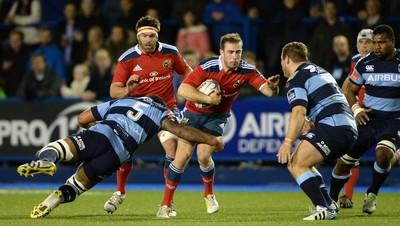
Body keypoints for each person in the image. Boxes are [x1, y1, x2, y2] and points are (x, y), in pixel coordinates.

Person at [16, 95, 224, 219]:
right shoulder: (160, 114)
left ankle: (47, 160)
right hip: (116, 157)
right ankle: (56, 198)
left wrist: (90, 130)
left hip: (101, 135)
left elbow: (82, 118)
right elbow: (183, 132)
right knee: (78, 184)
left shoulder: (122, 101)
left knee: (58, 147)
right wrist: (211, 140)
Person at [156, 33, 280, 218]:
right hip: (193, 114)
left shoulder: (247, 70)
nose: (235, 57)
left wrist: (273, 87)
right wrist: (208, 99)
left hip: (217, 116)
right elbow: (183, 90)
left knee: (204, 156)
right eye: (230, 52)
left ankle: (209, 195)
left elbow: (269, 93)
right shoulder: (207, 66)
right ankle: (165, 205)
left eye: (238, 52)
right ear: (222, 52)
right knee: (181, 158)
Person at [103, 15, 192, 214]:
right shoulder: (127, 58)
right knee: (123, 151)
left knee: (173, 149)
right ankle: (120, 192)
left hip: (165, 109)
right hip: (137, 111)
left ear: (157, 36)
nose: (149, 40)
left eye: (152, 36)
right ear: (138, 36)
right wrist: (128, 89)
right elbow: (113, 92)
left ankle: (167, 203)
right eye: (145, 36)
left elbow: (189, 73)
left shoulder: (171, 52)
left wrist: (191, 91)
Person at [277, 41, 358, 220]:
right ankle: (329, 204)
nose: (281, 65)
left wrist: (288, 142)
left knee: (295, 163)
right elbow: (329, 101)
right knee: (306, 163)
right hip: (348, 128)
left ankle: (323, 208)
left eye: (282, 61)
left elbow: (298, 111)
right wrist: (313, 121)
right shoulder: (321, 71)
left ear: (287, 59)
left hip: (334, 126)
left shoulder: (296, 79)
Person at [329, 24, 400, 215]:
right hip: (367, 119)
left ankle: (372, 195)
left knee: (383, 155)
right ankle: (332, 199)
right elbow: (350, 92)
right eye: (374, 42)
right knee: (345, 162)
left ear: (392, 43)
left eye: (381, 43)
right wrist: (356, 109)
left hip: (392, 120)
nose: (376, 47)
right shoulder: (364, 63)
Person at [337, 28, 373, 208]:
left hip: (379, 113)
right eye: (361, 42)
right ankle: (347, 197)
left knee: (386, 156)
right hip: (358, 113)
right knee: (349, 155)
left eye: (368, 42)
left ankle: (371, 195)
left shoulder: (383, 61)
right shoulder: (355, 61)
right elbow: (349, 84)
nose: (364, 46)